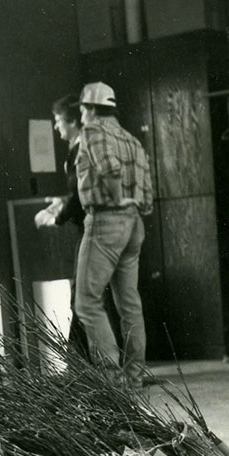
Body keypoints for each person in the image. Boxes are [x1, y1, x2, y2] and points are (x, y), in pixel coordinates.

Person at [74, 81, 153, 385]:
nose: (81, 115)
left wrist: (117, 198)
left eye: (82, 109)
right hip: (134, 224)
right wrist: (129, 204)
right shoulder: (131, 139)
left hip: (106, 221)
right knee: (129, 302)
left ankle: (111, 377)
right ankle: (135, 373)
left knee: (86, 302)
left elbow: (110, 168)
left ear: (90, 109)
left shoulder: (93, 131)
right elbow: (146, 198)